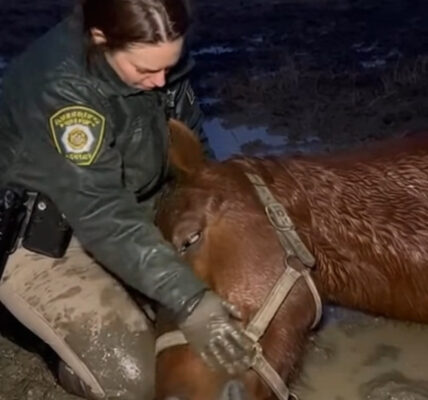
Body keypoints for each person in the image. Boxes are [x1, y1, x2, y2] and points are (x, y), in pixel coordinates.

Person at [0, 0, 253, 399]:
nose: (160, 80)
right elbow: (101, 214)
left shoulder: (157, 58)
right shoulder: (61, 88)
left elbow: (193, 151)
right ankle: (47, 343)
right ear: (100, 39)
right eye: (145, 70)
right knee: (141, 379)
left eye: (169, 66)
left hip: (136, 207)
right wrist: (191, 299)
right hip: (44, 239)